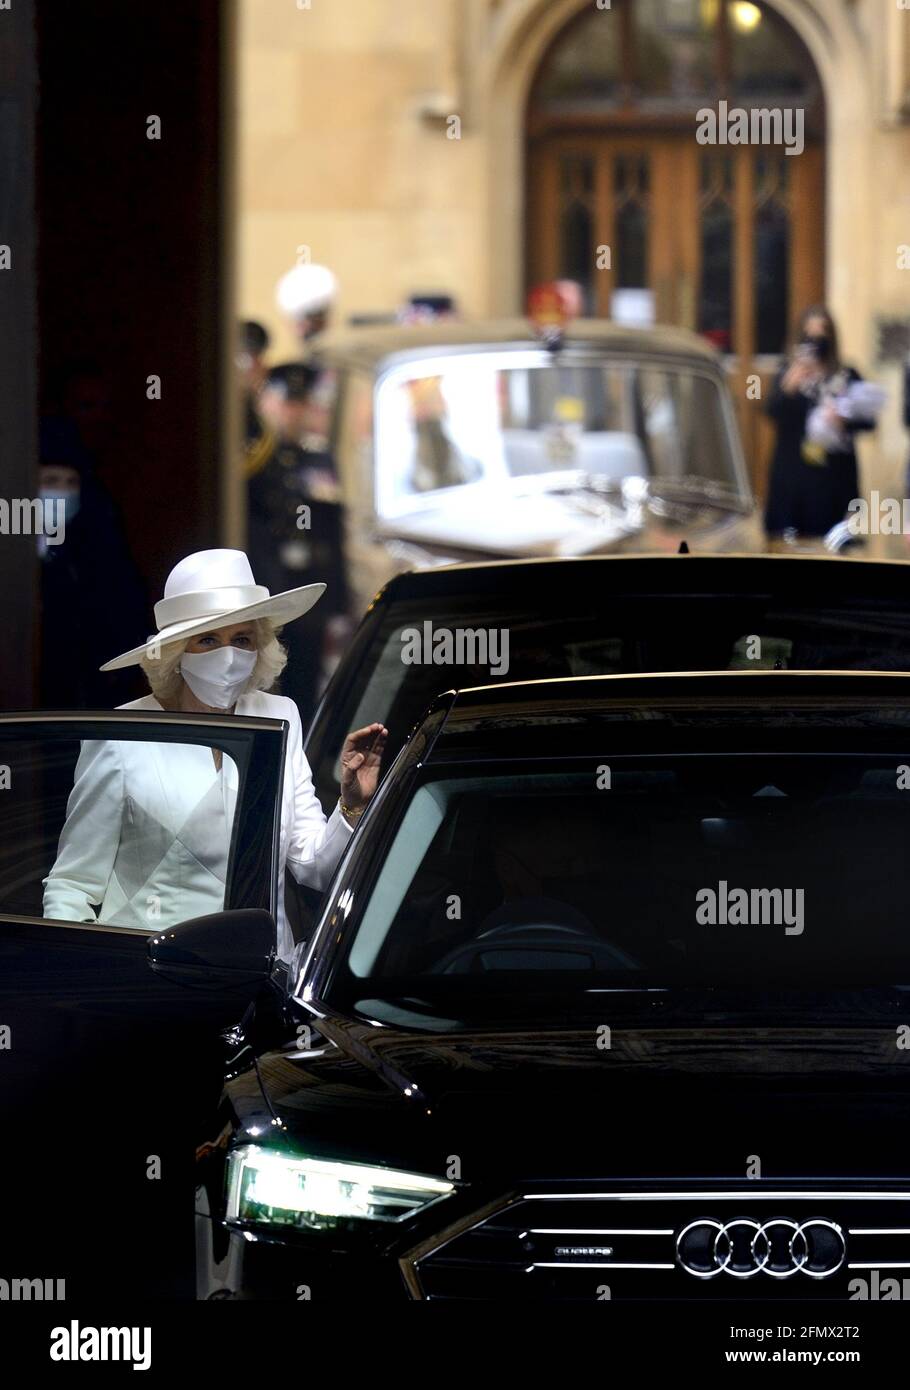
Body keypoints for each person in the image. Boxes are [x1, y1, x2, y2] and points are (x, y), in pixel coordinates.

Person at [42, 549, 386, 962]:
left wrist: (351, 806)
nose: (228, 655)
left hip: (264, 981)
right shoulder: (124, 733)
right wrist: (83, 983)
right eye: (208, 639)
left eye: (241, 639)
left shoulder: (279, 715)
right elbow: (74, 885)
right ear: (175, 652)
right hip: (157, 983)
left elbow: (314, 867)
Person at [248, 363, 350, 723]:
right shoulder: (256, 459)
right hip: (268, 589)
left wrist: (339, 603)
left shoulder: (319, 459)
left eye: (300, 404)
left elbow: (332, 533)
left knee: (305, 689)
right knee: (259, 686)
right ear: (269, 402)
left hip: (310, 596)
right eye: (287, 403)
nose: (294, 413)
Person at [38, 417, 147, 707]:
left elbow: (120, 602)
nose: (61, 491)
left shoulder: (95, 542)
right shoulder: (14, 544)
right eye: (50, 481)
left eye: (70, 483)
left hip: (82, 687)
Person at [765, 306, 879, 539]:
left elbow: (868, 421)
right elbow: (772, 412)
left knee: (834, 544)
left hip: (834, 480)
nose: (816, 345)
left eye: (822, 338)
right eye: (809, 338)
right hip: (793, 480)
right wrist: (789, 386)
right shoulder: (787, 372)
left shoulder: (846, 376)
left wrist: (842, 419)